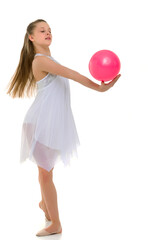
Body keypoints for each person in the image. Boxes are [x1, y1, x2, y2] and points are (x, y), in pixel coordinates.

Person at [6, 19, 121, 237]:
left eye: (49, 30)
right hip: (39, 125)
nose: (48, 33)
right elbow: (72, 74)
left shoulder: (48, 58)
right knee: (45, 174)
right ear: (31, 37)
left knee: (45, 172)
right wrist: (99, 88)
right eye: (42, 31)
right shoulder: (40, 60)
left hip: (45, 125)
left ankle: (44, 204)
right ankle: (55, 223)